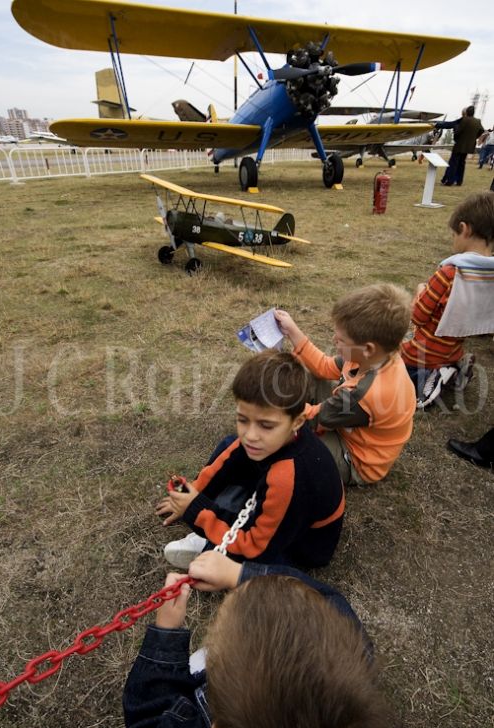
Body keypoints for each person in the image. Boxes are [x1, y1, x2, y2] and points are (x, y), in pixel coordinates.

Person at [120, 552, 390, 728]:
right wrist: (238, 573)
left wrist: (165, 636)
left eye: (215, 644)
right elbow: (327, 597)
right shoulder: (354, 652)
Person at [156, 350, 345, 570]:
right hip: (280, 512)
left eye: (266, 425)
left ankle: (211, 546)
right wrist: (192, 492)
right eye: (243, 420)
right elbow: (225, 464)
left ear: (297, 421)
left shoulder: (289, 477)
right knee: (231, 445)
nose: (250, 435)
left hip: (299, 546)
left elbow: (257, 547)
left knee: (229, 566)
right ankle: (214, 535)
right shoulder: (277, 437)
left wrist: (196, 510)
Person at [274, 284, 416, 485]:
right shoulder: (376, 356)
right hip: (347, 423)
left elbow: (316, 418)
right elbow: (324, 367)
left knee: (291, 445)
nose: (334, 340)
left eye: (341, 339)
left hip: (355, 459)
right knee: (305, 376)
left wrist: (273, 410)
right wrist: (292, 331)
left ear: (368, 348)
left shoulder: (365, 393)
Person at [401, 192, 494, 407]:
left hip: (426, 350)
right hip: (454, 346)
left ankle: (436, 375)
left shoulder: (450, 273)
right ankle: (455, 366)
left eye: (454, 235)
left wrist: (420, 291)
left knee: (391, 363)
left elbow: (418, 317)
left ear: (464, 229)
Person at [435, 105, 484, 186]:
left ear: (466, 112)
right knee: (462, 163)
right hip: (468, 147)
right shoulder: (477, 121)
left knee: (453, 163)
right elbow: (481, 130)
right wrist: (474, 137)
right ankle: (459, 181)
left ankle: (449, 181)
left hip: (459, 145)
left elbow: (457, 131)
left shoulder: (464, 120)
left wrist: (455, 137)